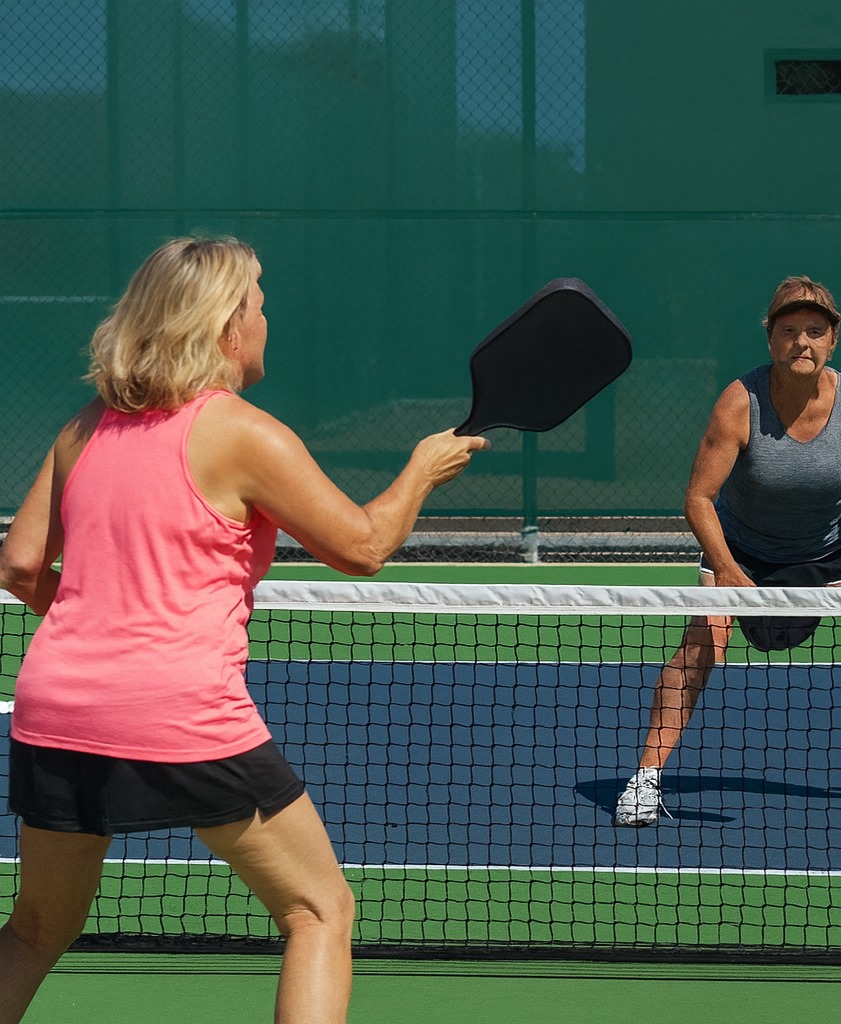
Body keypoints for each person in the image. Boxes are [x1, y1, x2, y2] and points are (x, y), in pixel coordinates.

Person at [0, 236, 487, 1024]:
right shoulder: (244, 432)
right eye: (259, 303)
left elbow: (20, 567)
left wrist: (109, 632)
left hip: (55, 709)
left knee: (33, 932)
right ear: (226, 326)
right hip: (180, 712)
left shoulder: (84, 427)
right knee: (319, 911)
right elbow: (363, 547)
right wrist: (421, 470)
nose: (267, 318)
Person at [613, 275, 841, 827]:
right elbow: (698, 498)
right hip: (745, 549)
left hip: (835, 547)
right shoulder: (739, 402)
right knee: (700, 646)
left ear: (832, 341)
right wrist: (726, 568)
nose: (802, 342)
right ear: (770, 338)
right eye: (790, 331)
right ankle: (645, 780)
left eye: (815, 332)